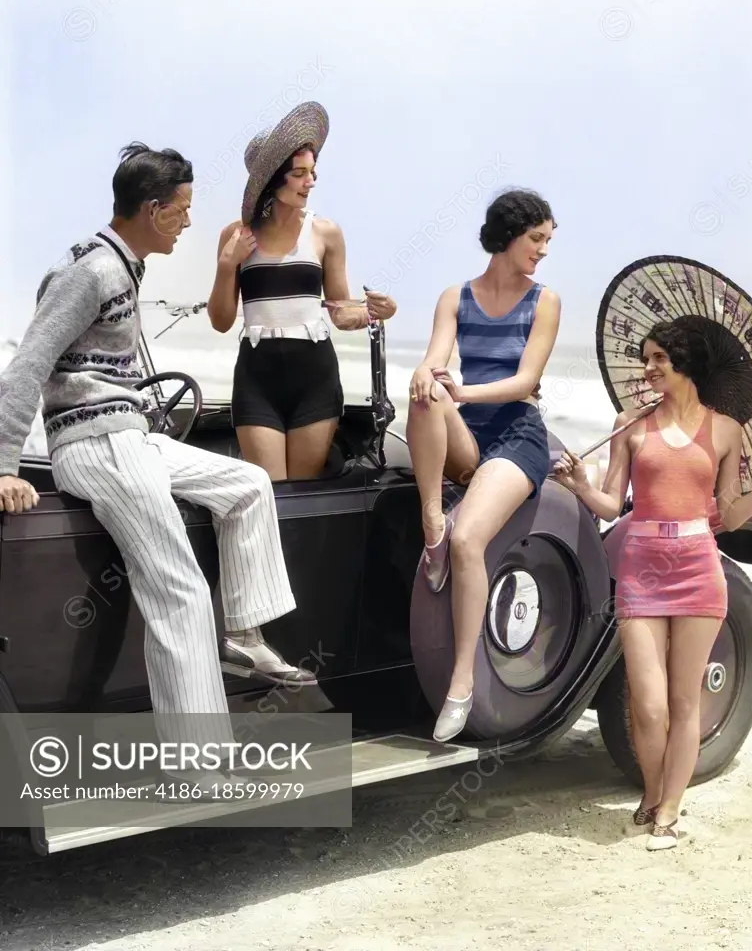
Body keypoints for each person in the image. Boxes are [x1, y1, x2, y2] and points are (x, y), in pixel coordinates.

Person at [0, 142, 317, 785]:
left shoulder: (125, 265)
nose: (189, 221)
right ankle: (199, 765)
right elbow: (29, 364)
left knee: (249, 483)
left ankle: (245, 637)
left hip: (130, 435)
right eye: (182, 209)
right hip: (97, 446)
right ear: (151, 210)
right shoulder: (91, 273)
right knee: (179, 590)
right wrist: (5, 465)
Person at [553, 320, 752, 850]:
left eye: (658, 359)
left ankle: (669, 809)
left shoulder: (724, 430)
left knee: (684, 699)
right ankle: (652, 793)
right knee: (647, 705)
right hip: (641, 571)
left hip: (698, 570)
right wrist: (580, 485)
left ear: (686, 365)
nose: (647, 368)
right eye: (646, 358)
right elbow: (610, 504)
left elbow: (733, 515)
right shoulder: (629, 425)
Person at [406, 188, 561, 743]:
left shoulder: (545, 301)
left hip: (516, 434)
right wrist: (432, 374)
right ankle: (431, 521)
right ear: (507, 235)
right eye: (535, 239)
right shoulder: (455, 296)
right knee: (421, 390)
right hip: (468, 435)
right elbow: (435, 355)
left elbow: (525, 382)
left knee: (470, 539)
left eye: (547, 240)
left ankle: (461, 684)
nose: (542, 250)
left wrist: (464, 393)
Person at [207, 101, 397, 481]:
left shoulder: (326, 233)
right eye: (299, 174)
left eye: (312, 172)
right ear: (272, 181)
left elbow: (341, 313)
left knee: (302, 494)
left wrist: (378, 311)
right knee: (269, 492)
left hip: (315, 377)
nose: (310, 181)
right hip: (256, 377)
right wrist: (228, 266)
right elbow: (221, 321)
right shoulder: (235, 236)